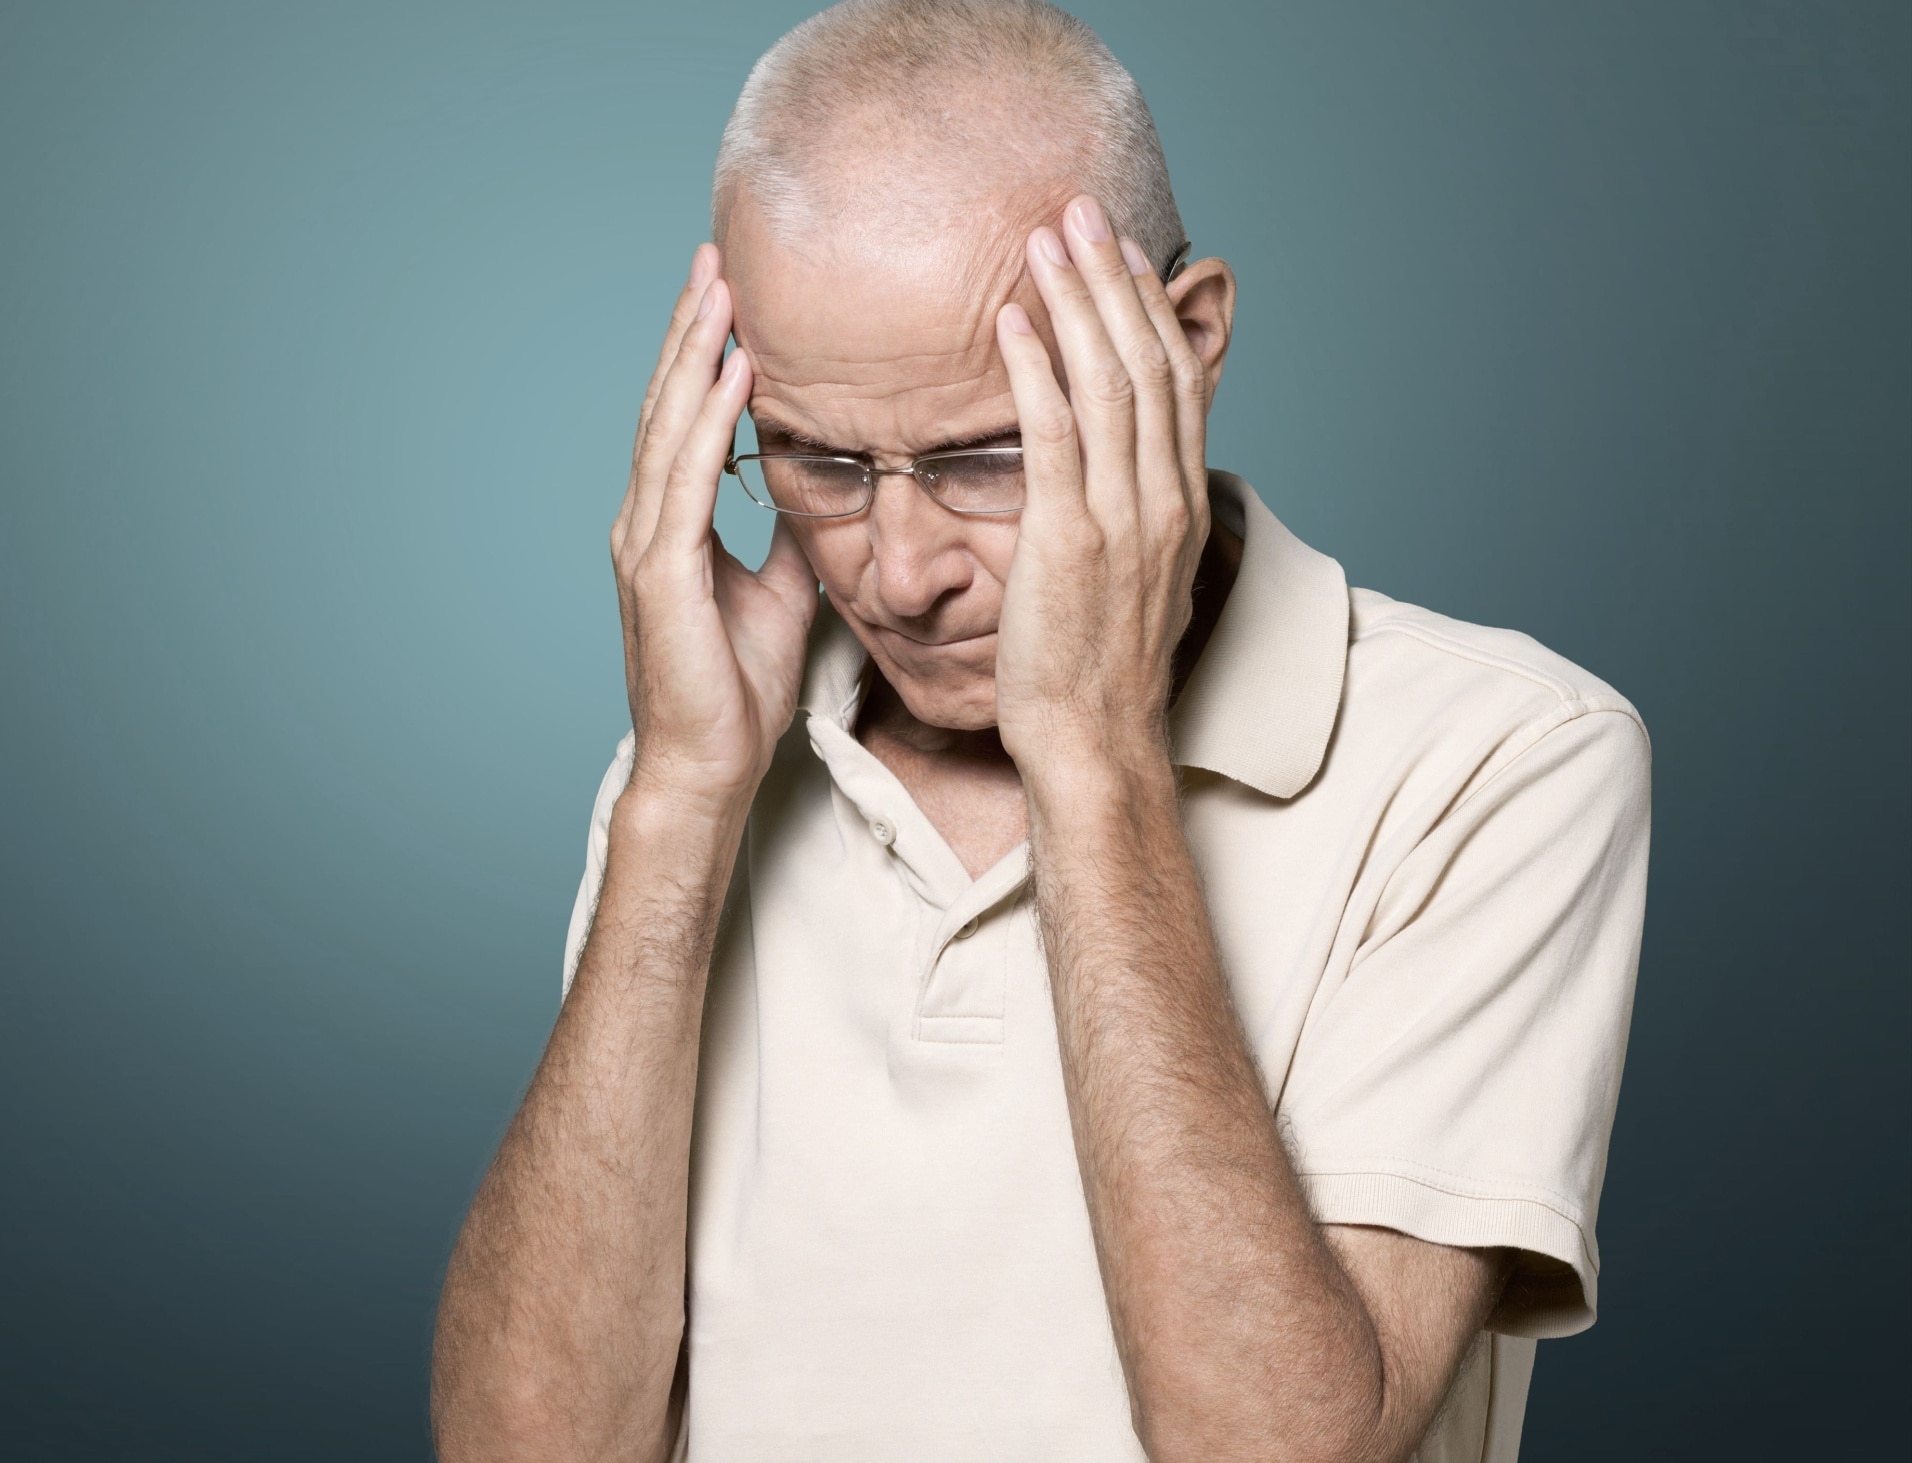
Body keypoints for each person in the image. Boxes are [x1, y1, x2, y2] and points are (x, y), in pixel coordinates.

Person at [429, 3, 1650, 1459]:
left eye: (985, 457)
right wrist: (683, 799)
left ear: (1185, 345)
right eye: (819, 460)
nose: (899, 571)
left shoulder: (1501, 761)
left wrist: (1093, 757)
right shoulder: (696, 775)